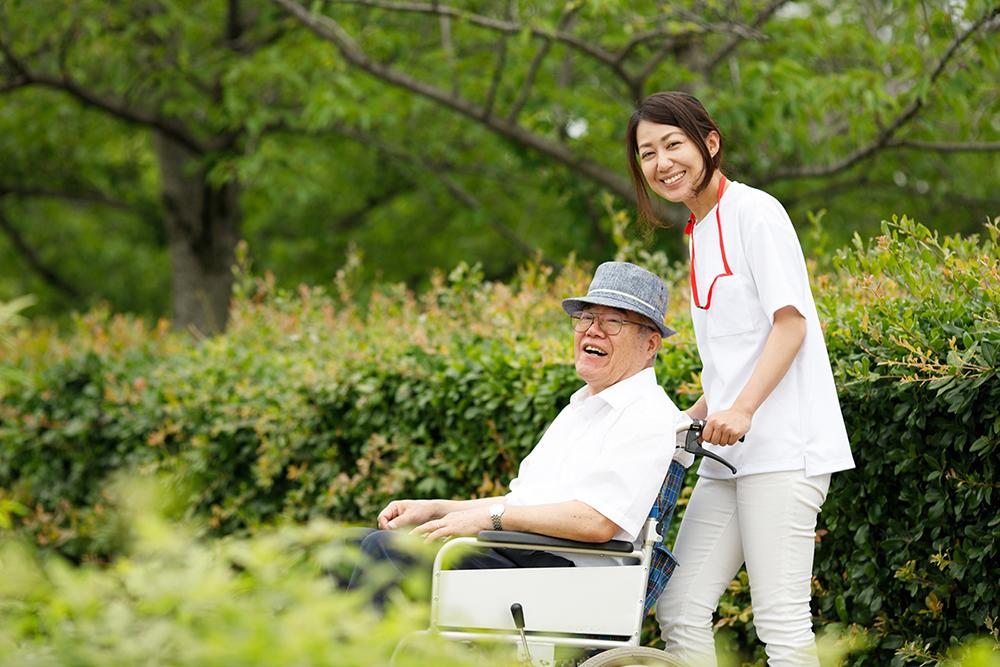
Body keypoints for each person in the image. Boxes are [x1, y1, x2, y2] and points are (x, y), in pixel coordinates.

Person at [624, 91, 855, 666]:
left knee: (782, 624)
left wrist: (744, 409)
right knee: (677, 608)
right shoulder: (697, 232)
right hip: (731, 457)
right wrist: (694, 415)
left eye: (673, 144)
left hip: (782, 450)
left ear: (710, 142)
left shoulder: (756, 211)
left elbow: (790, 324)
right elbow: (737, 352)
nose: (662, 163)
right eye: (647, 153)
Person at [349, 261, 694, 604]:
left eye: (613, 322)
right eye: (586, 318)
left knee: (384, 549)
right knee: (348, 546)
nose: (592, 330)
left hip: (568, 583)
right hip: (523, 558)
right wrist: (438, 508)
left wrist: (490, 518)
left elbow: (596, 522)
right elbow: (524, 502)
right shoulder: (580, 409)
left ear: (650, 345)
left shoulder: (648, 415)